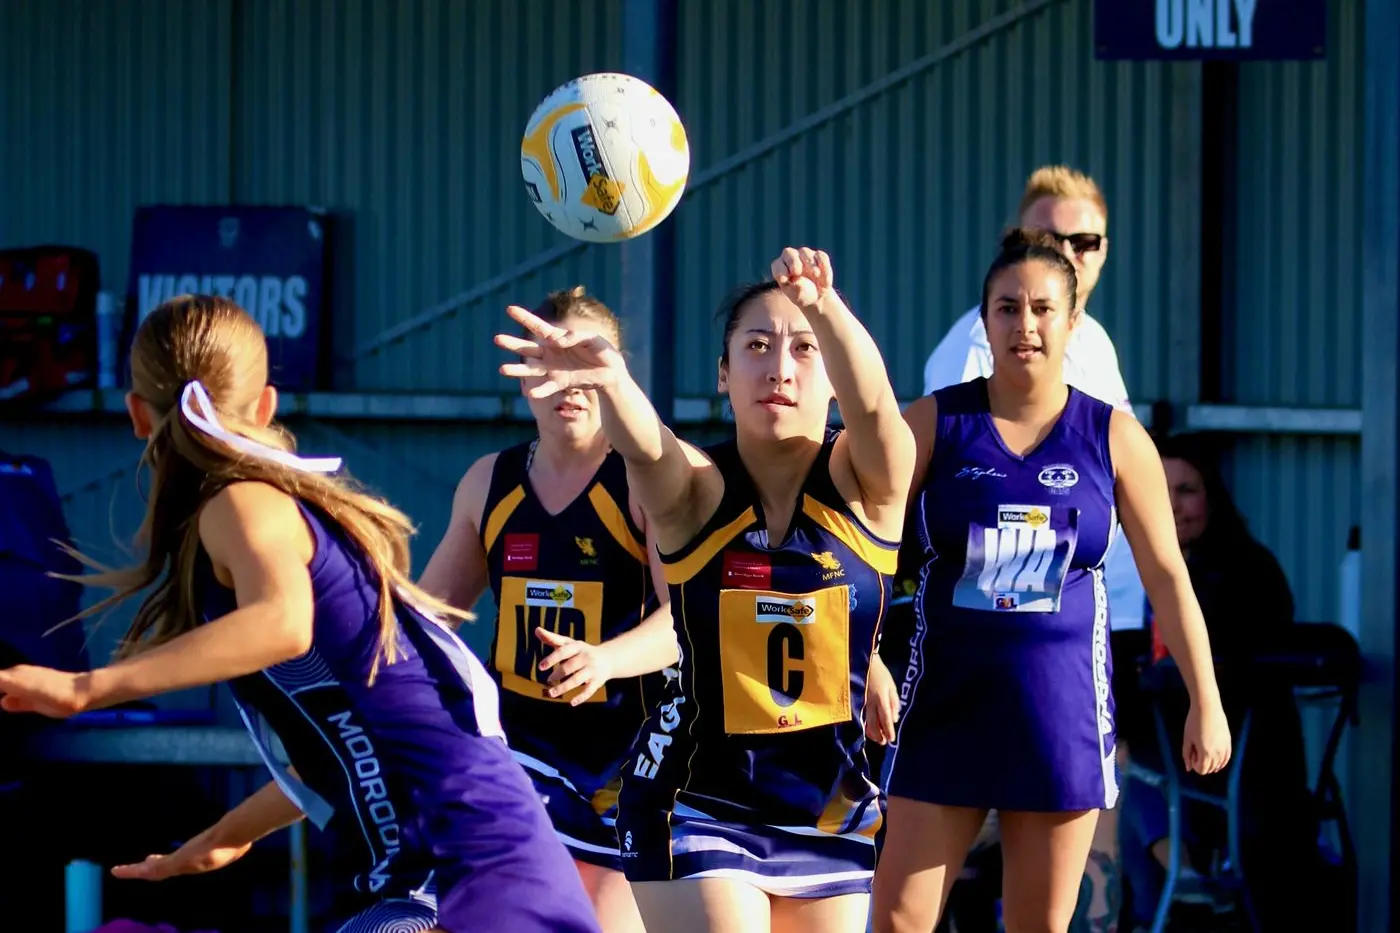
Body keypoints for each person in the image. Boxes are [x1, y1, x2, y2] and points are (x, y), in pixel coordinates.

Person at [0, 295, 602, 933]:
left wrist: (83, 689)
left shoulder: (241, 504)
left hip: (463, 864)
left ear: (136, 415)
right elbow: (347, 739)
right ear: (265, 405)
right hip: (447, 862)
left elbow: (281, 622)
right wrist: (228, 834)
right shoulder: (256, 509)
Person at [494, 247, 915, 933]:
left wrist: (825, 305)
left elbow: (875, 407)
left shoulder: (870, 485)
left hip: (826, 805)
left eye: (803, 349)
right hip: (694, 796)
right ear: (724, 374)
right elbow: (647, 449)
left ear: (831, 375)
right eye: (756, 345)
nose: (778, 365)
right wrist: (612, 381)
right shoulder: (694, 489)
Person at [873, 229, 1231, 933]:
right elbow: (861, 548)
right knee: (897, 922)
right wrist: (866, 664)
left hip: (1058, 715)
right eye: (1007, 308)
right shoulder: (937, 421)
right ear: (985, 322)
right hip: (945, 710)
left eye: (1042, 308)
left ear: (1073, 322)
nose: (1025, 324)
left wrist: (1206, 699)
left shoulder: (1114, 437)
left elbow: (1167, 576)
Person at [417, 287, 677, 933]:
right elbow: (427, 625)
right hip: (522, 753)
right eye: (550, 362)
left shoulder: (647, 477)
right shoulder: (490, 481)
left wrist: (605, 658)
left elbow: (686, 620)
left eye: (586, 359)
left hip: (631, 755)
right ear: (523, 374)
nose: (571, 382)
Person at [1117, 432, 1315, 931]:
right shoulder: (1124, 570)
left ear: (1214, 497)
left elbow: (1234, 671)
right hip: (1157, 753)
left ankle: (1181, 887)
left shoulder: (1248, 571)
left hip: (1234, 766)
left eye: (1187, 489)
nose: (1174, 506)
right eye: (1161, 489)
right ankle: (1182, 881)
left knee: (1126, 780)